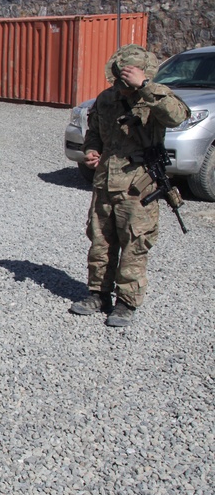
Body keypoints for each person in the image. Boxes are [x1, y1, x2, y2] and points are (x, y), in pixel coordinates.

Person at [69, 45, 189, 327]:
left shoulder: (154, 97)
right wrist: (91, 151)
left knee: (134, 243)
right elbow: (95, 133)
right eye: (119, 80)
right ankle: (98, 294)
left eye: (127, 81)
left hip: (139, 186)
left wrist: (145, 86)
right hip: (106, 181)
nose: (122, 87)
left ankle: (126, 302)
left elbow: (177, 116)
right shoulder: (106, 99)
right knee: (100, 240)